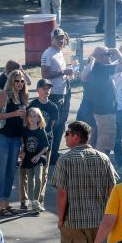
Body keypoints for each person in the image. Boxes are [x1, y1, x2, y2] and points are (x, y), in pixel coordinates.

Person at [51, 120, 119, 243]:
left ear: (75, 136)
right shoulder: (103, 158)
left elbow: (62, 192)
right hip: (97, 219)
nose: (65, 137)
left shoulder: (66, 159)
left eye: (67, 133)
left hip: (73, 219)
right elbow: (112, 190)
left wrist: (60, 218)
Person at [0, 69, 28, 216]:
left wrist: (23, 143)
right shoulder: (4, 95)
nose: (19, 83)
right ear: (11, 81)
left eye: (22, 81)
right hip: (2, 137)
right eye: (16, 80)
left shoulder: (23, 96)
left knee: (11, 171)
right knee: (1, 170)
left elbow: (23, 122)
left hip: (16, 138)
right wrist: (14, 113)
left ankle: (6, 203)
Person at [80, 46, 122, 154]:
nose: (110, 56)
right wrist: (116, 51)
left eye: (110, 54)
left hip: (100, 111)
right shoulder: (101, 68)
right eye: (107, 54)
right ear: (98, 57)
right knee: (104, 144)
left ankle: (94, 165)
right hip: (105, 112)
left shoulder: (96, 68)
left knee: (96, 141)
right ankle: (99, 166)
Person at [41, 29, 74, 162]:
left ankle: (54, 154)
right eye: (58, 38)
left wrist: (67, 75)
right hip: (54, 94)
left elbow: (59, 72)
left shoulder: (59, 52)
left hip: (64, 92)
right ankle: (48, 155)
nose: (61, 40)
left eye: (62, 38)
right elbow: (45, 74)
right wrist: (63, 71)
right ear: (52, 39)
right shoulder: (48, 54)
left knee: (61, 125)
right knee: (54, 125)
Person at [19, 108, 50, 212]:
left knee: (39, 179)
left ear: (39, 118)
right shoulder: (25, 131)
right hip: (28, 159)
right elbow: (23, 144)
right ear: (27, 118)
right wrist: (22, 152)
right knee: (30, 181)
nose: (32, 118)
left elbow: (46, 146)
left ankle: (36, 201)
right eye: (30, 116)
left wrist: (38, 156)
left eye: (35, 116)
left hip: (38, 159)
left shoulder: (41, 131)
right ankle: (33, 202)